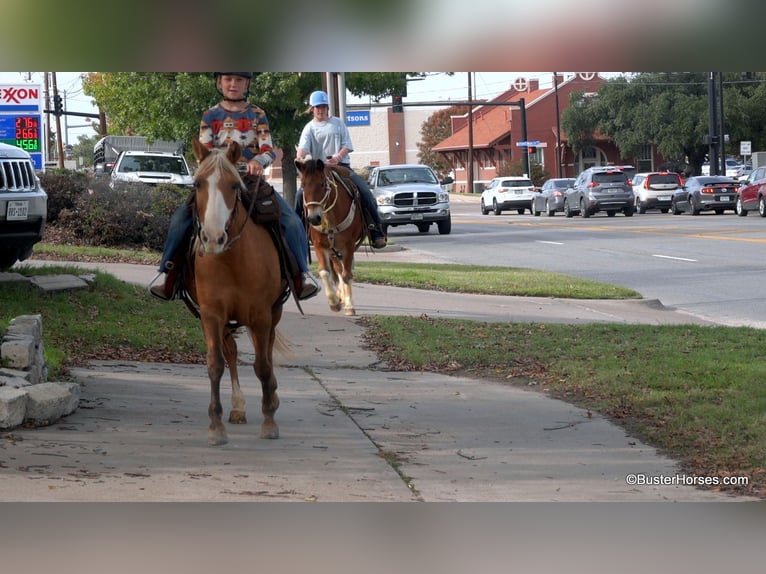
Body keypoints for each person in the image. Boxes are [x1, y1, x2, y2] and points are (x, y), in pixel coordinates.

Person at [149, 72, 319, 301]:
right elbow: (204, 151)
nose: (233, 84)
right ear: (219, 83)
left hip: (251, 181)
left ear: (246, 84)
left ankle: (300, 278)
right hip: (217, 181)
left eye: (239, 80)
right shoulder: (210, 116)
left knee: (291, 221)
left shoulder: (258, 114)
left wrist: (257, 162)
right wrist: (217, 167)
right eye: (228, 79)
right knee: (180, 220)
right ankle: (168, 277)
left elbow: (268, 149)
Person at [295, 90, 386, 249]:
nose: (320, 110)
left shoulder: (338, 123)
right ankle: (298, 232)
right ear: (312, 109)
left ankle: (375, 230)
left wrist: (337, 157)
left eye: (323, 106)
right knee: (299, 196)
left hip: (341, 166)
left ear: (327, 107)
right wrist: (301, 157)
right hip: (318, 170)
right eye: (317, 107)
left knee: (365, 192)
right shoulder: (309, 128)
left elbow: (347, 145)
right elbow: (302, 148)